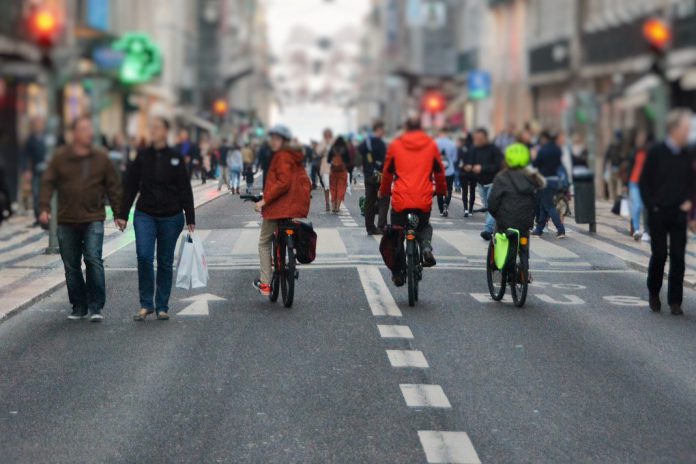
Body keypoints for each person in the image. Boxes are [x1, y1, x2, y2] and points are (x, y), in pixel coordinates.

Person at [39, 116, 123, 322]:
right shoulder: (61, 157)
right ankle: (79, 305)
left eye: (90, 129)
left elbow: (113, 186)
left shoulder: (101, 158)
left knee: (93, 259)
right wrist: (44, 208)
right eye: (84, 129)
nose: (89, 133)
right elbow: (48, 182)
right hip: (66, 219)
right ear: (74, 133)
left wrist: (119, 213)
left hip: (93, 217)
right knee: (71, 265)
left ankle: (96, 306)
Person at [118, 117, 195, 321]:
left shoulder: (175, 157)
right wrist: (122, 214)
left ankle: (162, 306)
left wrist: (190, 216)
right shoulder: (142, 156)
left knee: (164, 261)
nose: (153, 131)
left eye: (157, 128)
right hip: (145, 214)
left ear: (166, 131)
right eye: (151, 128)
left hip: (171, 216)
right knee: (144, 256)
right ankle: (146, 304)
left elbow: (185, 188)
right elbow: (131, 185)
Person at [379, 115, 447, 286]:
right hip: (423, 197)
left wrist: (384, 192)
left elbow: (387, 173)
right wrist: (441, 191)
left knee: (396, 234)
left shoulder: (396, 145)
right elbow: (439, 172)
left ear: (406, 128)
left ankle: (398, 273)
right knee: (424, 226)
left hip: (401, 198)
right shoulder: (431, 145)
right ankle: (425, 247)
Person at [639, 109, 694, 316]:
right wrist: (651, 206)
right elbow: (644, 182)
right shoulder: (656, 152)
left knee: (678, 258)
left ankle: (675, 301)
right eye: (685, 128)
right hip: (658, 212)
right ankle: (654, 292)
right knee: (660, 255)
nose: (687, 133)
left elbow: (691, 182)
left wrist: (689, 200)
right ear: (673, 129)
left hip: (679, 212)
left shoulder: (687, 154)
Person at [252, 125, 311, 296]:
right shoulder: (294, 156)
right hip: (292, 206)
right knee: (281, 234)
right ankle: (285, 259)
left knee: (263, 242)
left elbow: (283, 182)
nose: (272, 141)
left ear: (283, 141)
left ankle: (264, 284)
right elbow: (303, 181)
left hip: (279, 206)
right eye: (272, 138)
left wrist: (264, 200)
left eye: (276, 138)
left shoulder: (282, 156)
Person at [488, 143, 546, 271]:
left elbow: (492, 202)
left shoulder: (501, 177)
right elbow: (542, 184)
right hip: (525, 220)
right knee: (524, 242)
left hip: (505, 220)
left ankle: (497, 261)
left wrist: (496, 215)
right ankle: (524, 270)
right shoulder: (531, 177)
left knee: (497, 233)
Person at [532, 131, 567, 238]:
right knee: (544, 206)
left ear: (544, 139)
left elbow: (535, 163)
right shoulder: (557, 150)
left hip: (544, 180)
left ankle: (560, 229)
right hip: (555, 180)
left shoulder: (543, 150)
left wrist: (534, 156)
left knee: (549, 206)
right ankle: (539, 229)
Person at [470, 128, 504, 240]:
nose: (477, 141)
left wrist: (482, 168)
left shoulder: (494, 150)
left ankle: (488, 230)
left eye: (480, 139)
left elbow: (499, 165)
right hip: (480, 183)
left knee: (490, 206)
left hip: (493, 182)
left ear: (485, 138)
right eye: (476, 139)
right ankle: (495, 226)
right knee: (487, 207)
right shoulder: (474, 150)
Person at [359, 121, 389, 235]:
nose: (383, 133)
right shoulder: (380, 143)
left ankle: (370, 228)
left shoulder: (365, 142)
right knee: (384, 200)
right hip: (380, 175)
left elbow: (359, 153)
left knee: (369, 202)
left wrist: (366, 165)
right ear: (379, 130)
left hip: (368, 176)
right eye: (382, 131)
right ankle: (381, 226)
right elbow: (385, 160)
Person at [627, 130, 653, 241]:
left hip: (646, 183)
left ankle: (647, 231)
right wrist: (625, 183)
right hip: (633, 182)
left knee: (645, 207)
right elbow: (630, 166)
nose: (639, 140)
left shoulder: (651, 151)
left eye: (642, 138)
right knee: (637, 205)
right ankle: (636, 229)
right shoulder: (634, 151)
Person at [22, 117, 48, 226]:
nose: (39, 126)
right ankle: (39, 217)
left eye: (40, 123)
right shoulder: (30, 140)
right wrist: (27, 170)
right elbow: (25, 156)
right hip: (36, 171)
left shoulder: (48, 138)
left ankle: (48, 216)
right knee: (37, 193)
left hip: (49, 171)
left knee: (48, 193)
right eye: (36, 124)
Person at [435, 130, 458, 218]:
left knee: (439, 190)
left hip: (439, 171)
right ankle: (446, 204)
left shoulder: (435, 142)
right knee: (449, 188)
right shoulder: (452, 144)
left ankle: (441, 210)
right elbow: (455, 159)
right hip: (450, 171)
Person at [327, 136, 351, 213]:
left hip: (333, 171)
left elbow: (328, 160)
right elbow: (348, 160)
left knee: (333, 188)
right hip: (342, 172)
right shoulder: (345, 149)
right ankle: (337, 207)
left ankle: (333, 207)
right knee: (341, 188)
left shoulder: (332, 148)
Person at [457, 135, 477, 217]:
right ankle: (471, 210)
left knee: (464, 191)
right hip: (473, 173)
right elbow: (477, 160)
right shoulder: (475, 149)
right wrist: (471, 166)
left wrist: (464, 166)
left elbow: (458, 161)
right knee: (472, 191)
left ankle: (465, 209)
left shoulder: (461, 148)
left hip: (463, 172)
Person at [317, 128, 334, 212]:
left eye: (329, 134)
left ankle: (334, 203)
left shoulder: (334, 141)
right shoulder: (322, 142)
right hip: (325, 165)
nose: (327, 136)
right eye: (326, 134)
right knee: (326, 186)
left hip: (334, 165)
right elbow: (318, 152)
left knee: (334, 186)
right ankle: (327, 203)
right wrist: (324, 147)